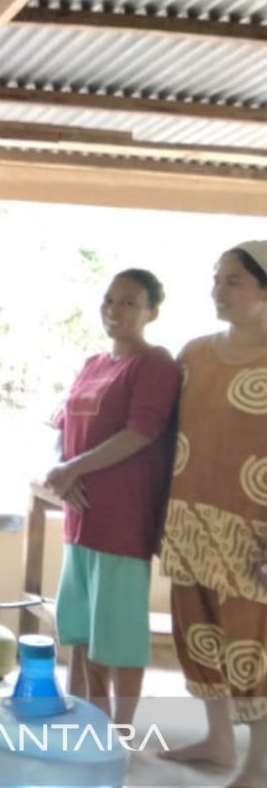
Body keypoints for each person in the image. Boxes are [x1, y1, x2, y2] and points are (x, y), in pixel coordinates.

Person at [44, 270, 180, 727]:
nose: (115, 311)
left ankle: (118, 730)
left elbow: (141, 432)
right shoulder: (93, 363)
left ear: (151, 312)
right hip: (80, 519)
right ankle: (82, 718)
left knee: (117, 637)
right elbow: (62, 426)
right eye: (109, 300)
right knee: (80, 629)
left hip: (123, 521)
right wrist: (60, 469)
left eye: (129, 303)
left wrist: (73, 469)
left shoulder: (154, 363)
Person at [159, 241, 267, 788]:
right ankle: (218, 739)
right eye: (216, 278)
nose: (218, 290)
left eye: (234, 282)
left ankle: (259, 763)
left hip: (254, 532)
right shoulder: (193, 354)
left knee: (252, 645)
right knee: (197, 635)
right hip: (187, 519)